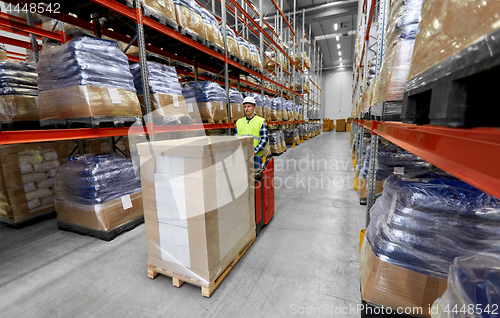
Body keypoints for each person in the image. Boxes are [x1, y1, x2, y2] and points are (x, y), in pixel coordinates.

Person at [235, 96, 268, 169]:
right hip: (242, 156)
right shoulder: (239, 122)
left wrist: (255, 150)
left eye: (249, 106)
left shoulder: (260, 121)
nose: (246, 109)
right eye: (245, 107)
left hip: (256, 156)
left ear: (254, 108)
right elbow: (236, 138)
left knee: (256, 177)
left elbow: (264, 139)